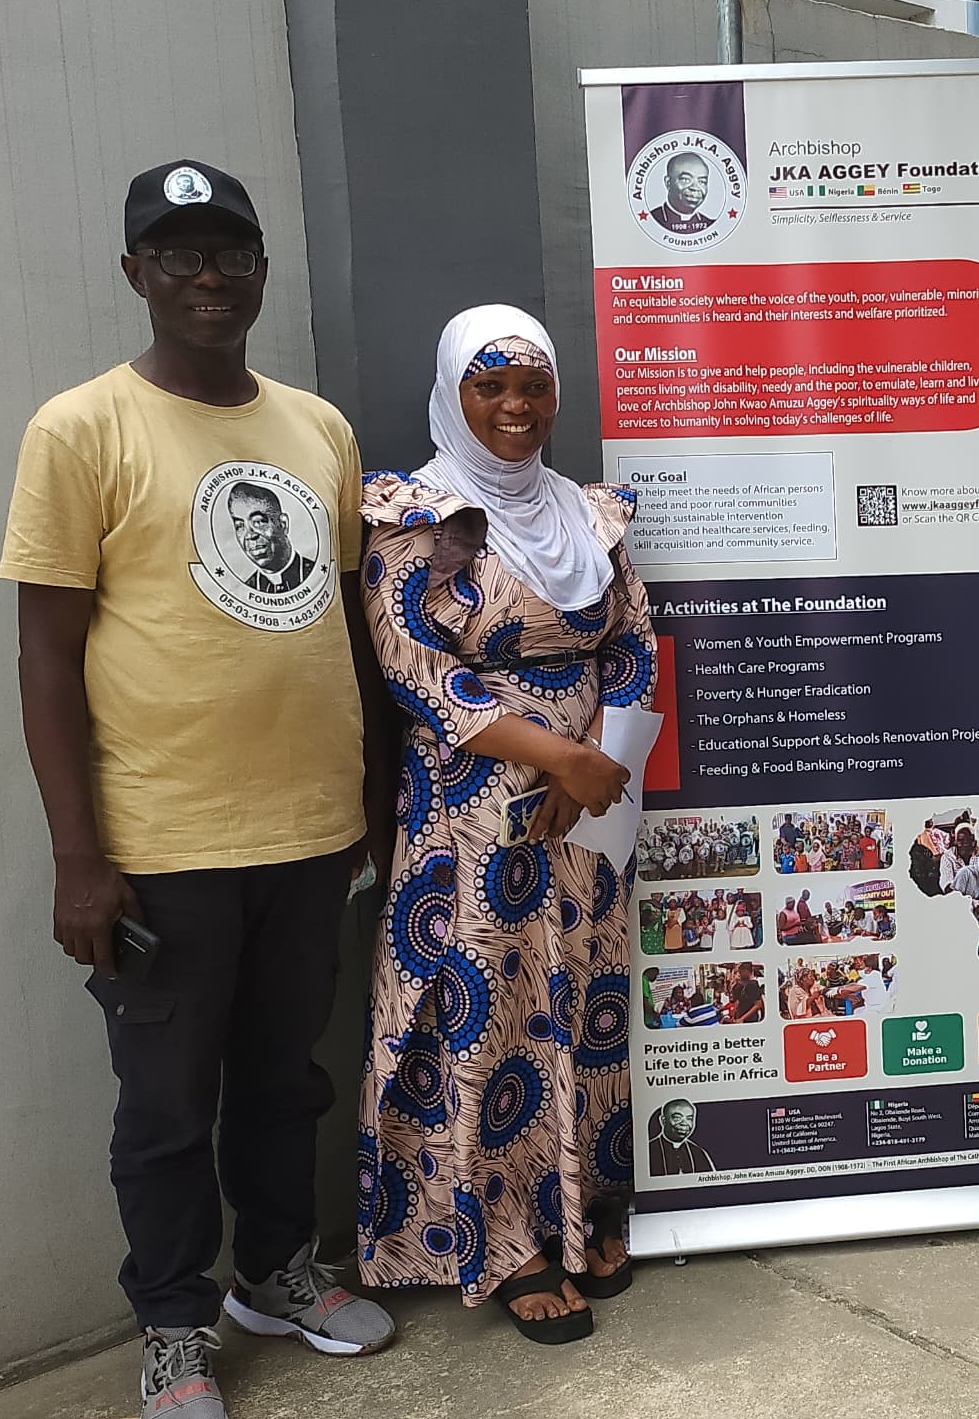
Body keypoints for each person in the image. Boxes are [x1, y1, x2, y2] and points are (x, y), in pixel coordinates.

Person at [1, 159, 396, 1419]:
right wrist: (78, 857)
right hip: (161, 842)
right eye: (179, 254)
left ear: (262, 269)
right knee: (168, 1107)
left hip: (309, 832)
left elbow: (343, 627)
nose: (209, 275)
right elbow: (46, 657)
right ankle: (174, 1323)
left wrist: (370, 801)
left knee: (285, 1080)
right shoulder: (81, 429)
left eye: (231, 252)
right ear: (137, 272)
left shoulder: (318, 429)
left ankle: (276, 1273)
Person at [354, 306, 658, 1346]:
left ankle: (582, 1203)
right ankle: (505, 1238)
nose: (516, 405)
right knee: (487, 1010)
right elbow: (417, 671)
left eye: (534, 384)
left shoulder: (588, 515)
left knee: (585, 999)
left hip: (591, 809)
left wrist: (598, 759)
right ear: (454, 394)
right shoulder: (418, 519)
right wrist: (557, 757)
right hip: (474, 816)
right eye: (490, 385)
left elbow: (633, 644)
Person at [228, 482, 319, 594]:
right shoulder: (245, 590)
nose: (250, 535)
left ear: (283, 524)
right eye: (240, 526)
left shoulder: (315, 573)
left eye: (258, 522)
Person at [649, 1099, 717, 1175]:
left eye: (689, 1118)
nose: (684, 1123)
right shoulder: (650, 1150)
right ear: (663, 1121)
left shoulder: (698, 1153)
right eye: (677, 1118)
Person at [655, 153, 714, 234]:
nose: (695, 187)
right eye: (686, 180)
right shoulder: (652, 220)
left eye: (702, 181)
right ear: (668, 182)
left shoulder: (711, 225)